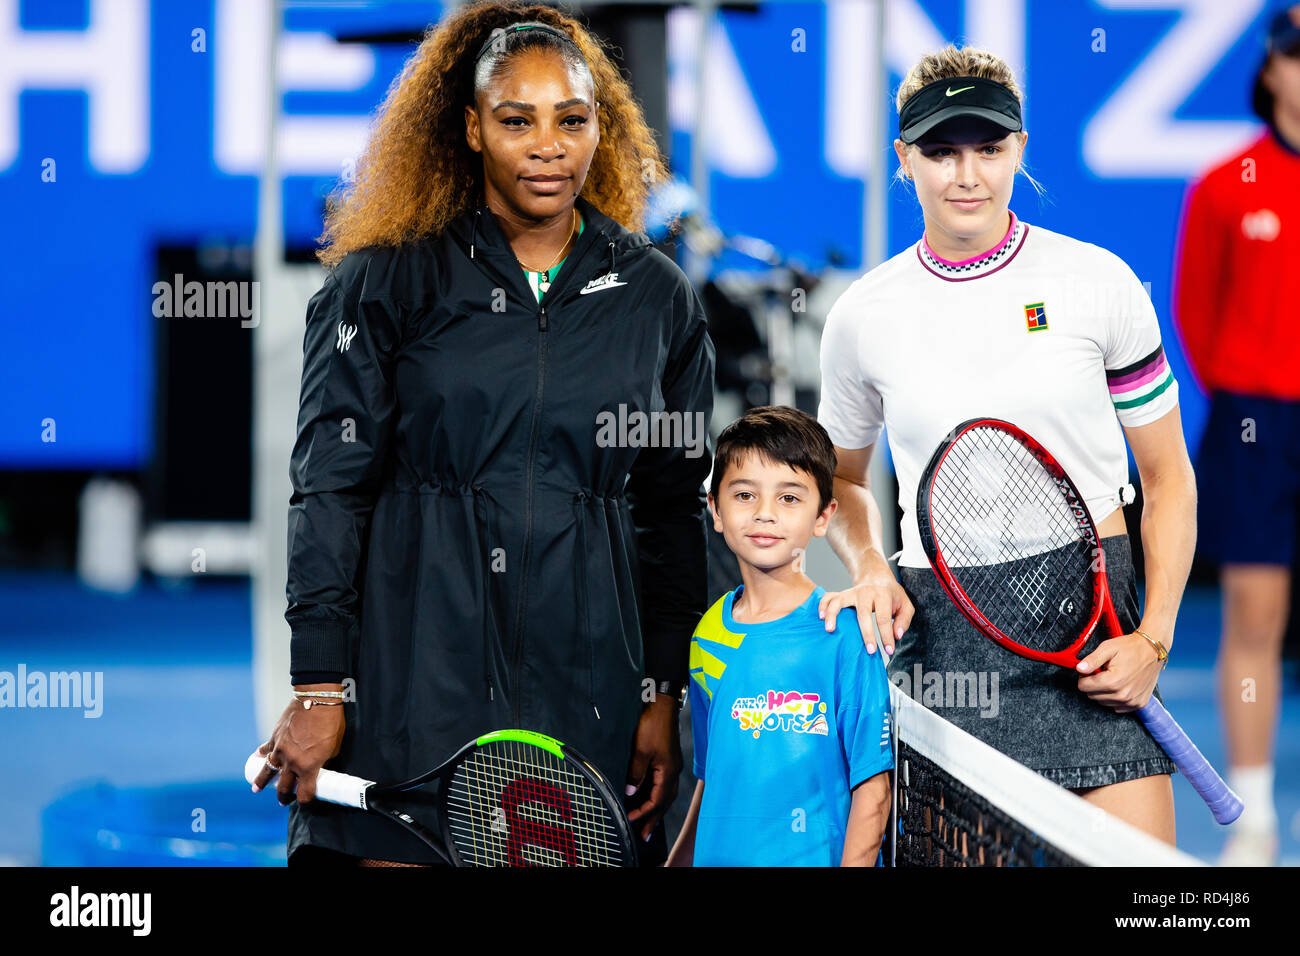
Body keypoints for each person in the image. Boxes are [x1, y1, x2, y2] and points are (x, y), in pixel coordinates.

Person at [249, 1, 716, 866]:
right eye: (516, 121)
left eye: (571, 121)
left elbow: (671, 513)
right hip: (409, 683)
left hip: (588, 695)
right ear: (470, 129)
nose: (548, 145)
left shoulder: (660, 300)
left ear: (597, 128)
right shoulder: (382, 284)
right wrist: (319, 682)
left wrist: (662, 691)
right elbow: (329, 489)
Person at [816, 45, 1198, 844]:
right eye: (940, 150)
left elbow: (1167, 480)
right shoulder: (862, 316)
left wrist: (1154, 639)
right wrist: (869, 568)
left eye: (989, 149)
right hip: (951, 646)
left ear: (1020, 148)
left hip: (1100, 633)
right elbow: (842, 483)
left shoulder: (1100, 284)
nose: (967, 175)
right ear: (903, 159)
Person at [1173, 4, 1300, 866]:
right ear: (1272, 68)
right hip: (1260, 427)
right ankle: (1252, 817)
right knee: (1254, 617)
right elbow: (1196, 314)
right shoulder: (1226, 185)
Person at [666, 406, 893, 867]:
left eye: (789, 498)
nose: (765, 514)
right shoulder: (708, 633)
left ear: (823, 516)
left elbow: (874, 789)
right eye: (745, 495)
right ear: (715, 509)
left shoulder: (845, 632)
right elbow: (712, 778)